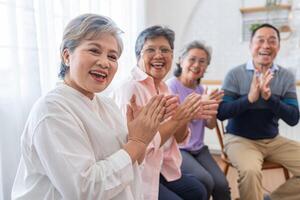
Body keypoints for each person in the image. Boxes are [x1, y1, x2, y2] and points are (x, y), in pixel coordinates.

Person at [11, 14, 168, 200]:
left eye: (112, 56)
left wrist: (141, 136)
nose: (105, 62)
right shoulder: (52, 110)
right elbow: (84, 190)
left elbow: (131, 163)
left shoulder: (107, 105)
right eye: (94, 51)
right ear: (67, 55)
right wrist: (137, 142)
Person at [112, 26, 218, 200]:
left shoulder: (164, 88)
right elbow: (135, 148)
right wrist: (178, 118)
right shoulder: (129, 89)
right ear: (138, 55)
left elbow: (178, 138)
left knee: (199, 190)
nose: (159, 55)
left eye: (165, 50)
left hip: (163, 166)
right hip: (138, 172)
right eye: (151, 50)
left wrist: (185, 117)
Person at [217, 23, 300, 200]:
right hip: (240, 139)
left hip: (273, 140)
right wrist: (249, 99)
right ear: (250, 45)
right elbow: (222, 112)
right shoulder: (234, 74)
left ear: (278, 46)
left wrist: (270, 99)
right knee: (250, 171)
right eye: (260, 40)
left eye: (272, 41)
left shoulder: (285, 77)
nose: (266, 45)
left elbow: (293, 118)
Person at [166, 40, 231, 200]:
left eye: (202, 62)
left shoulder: (202, 90)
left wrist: (212, 108)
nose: (197, 65)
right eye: (192, 59)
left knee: (221, 184)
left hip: (198, 148)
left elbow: (210, 125)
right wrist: (197, 108)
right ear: (181, 61)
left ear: (206, 68)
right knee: (205, 180)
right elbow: (171, 126)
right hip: (178, 148)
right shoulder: (170, 87)